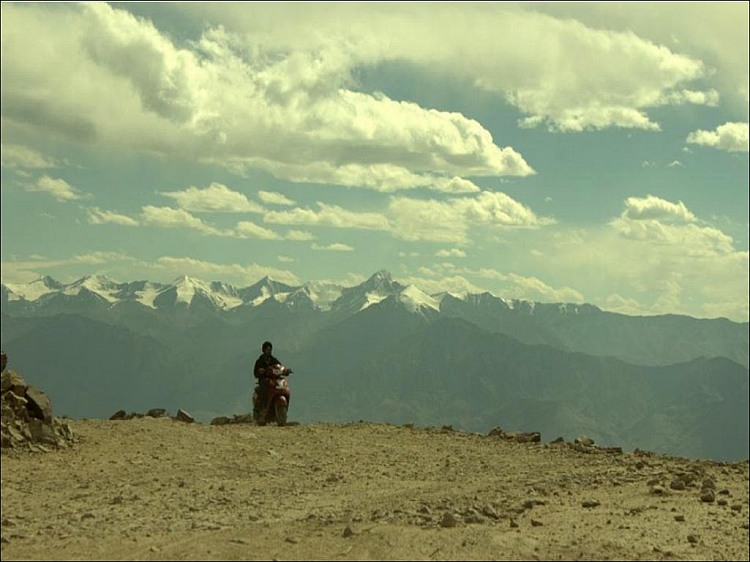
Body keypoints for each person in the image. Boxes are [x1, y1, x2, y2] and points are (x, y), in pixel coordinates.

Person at [253, 341, 280, 422]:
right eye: (268, 349)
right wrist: (260, 371)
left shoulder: (273, 360)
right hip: (264, 381)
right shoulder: (260, 360)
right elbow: (255, 373)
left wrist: (285, 370)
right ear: (264, 350)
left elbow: (279, 366)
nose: (269, 351)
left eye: (270, 349)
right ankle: (263, 409)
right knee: (264, 390)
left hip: (273, 380)